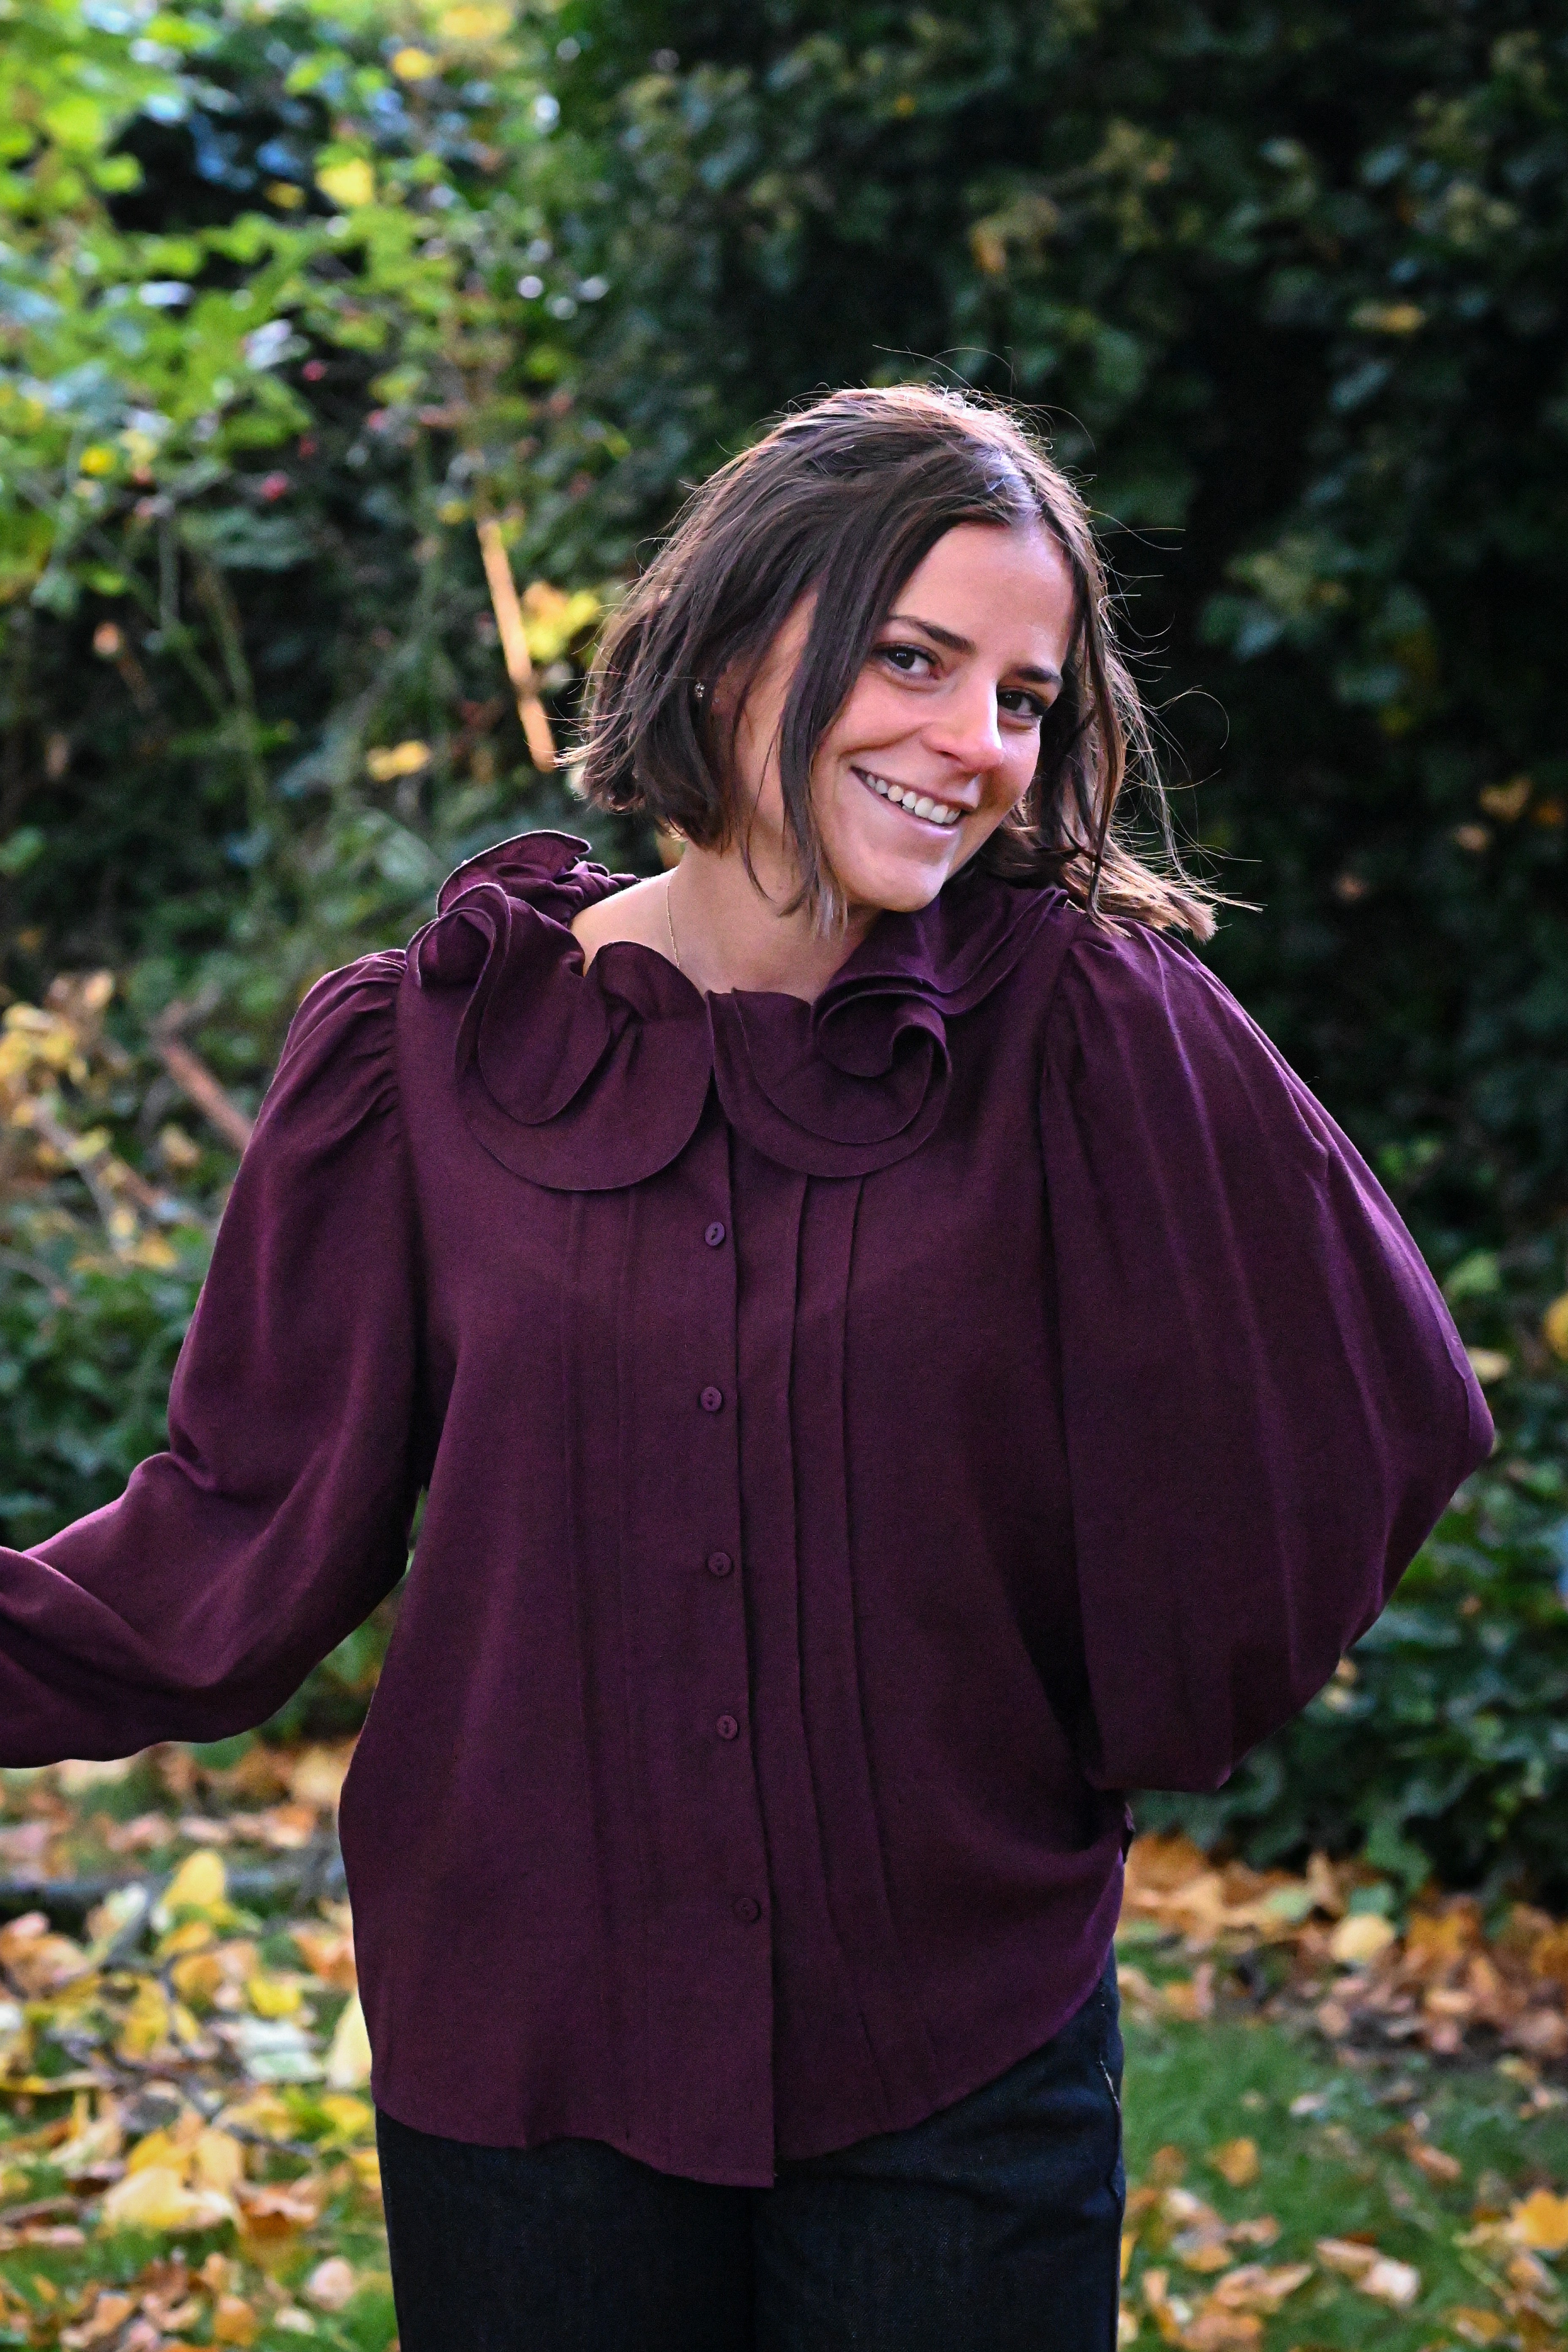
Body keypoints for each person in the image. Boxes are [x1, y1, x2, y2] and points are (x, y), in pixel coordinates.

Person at [0, 386, 1490, 2351]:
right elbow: (239, 1526)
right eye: (912, 660)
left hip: (956, 2045)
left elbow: (1358, 1410)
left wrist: (1114, 1702)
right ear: (727, 651)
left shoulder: (1091, 1032)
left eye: (1023, 699)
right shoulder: (431, 1055)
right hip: (524, 2043)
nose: (975, 742)